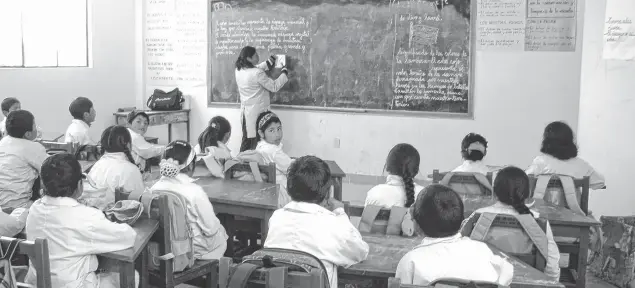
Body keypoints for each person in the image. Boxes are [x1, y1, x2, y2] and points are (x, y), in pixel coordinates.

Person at [24, 153, 138, 288]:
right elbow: (128, 237)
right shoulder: (87, 216)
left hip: (36, 284)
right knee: (130, 275)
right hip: (76, 285)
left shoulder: (34, 209)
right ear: (79, 185)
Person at [264, 156, 369, 288]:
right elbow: (360, 251)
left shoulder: (276, 218)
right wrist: (340, 213)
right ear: (328, 193)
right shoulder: (332, 224)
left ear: (289, 189)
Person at [395, 184, 513, 286]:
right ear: (462, 221)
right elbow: (507, 271)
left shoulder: (411, 261)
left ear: (416, 224)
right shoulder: (483, 251)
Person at [467, 166, 560, 281]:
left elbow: (464, 255)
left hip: (485, 282)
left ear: (494, 191)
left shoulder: (478, 216)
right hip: (527, 282)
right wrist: (550, 282)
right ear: (528, 193)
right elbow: (551, 263)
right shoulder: (536, 220)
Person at [150, 140, 228, 259]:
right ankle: (217, 271)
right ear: (191, 165)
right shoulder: (194, 191)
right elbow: (210, 229)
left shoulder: (154, 188)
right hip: (191, 249)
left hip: (162, 248)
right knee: (222, 233)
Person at [235, 46, 289, 152]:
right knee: (254, 143)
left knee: (247, 141)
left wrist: (269, 62)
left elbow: (256, 69)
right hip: (257, 114)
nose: (258, 56)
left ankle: (241, 163)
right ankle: (250, 165)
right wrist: (284, 73)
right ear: (248, 59)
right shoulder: (257, 73)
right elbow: (274, 86)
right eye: (255, 55)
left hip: (246, 113)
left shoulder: (239, 70)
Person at [526, 121, 605, 189]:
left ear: (547, 142)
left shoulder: (540, 161)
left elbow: (524, 181)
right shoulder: (581, 164)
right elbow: (600, 183)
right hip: (574, 207)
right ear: (570, 141)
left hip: (542, 206)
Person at [84, 126, 144, 208]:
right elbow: (140, 202)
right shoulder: (130, 169)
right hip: (117, 218)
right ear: (128, 145)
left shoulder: (96, 165)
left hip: (95, 215)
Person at [0, 110, 49, 209]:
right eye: (35, 125)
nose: (37, 129)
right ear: (28, 134)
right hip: (19, 207)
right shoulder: (33, 147)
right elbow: (52, 168)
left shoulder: (3, 142)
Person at [365, 143, 423, 208]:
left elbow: (365, 218)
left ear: (387, 166)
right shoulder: (424, 195)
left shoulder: (374, 193)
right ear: (416, 171)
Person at [254, 111, 294, 206]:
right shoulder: (273, 151)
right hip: (280, 191)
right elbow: (291, 167)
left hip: (267, 188)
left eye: (279, 129)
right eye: (271, 130)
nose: (277, 134)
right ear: (261, 133)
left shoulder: (260, 146)